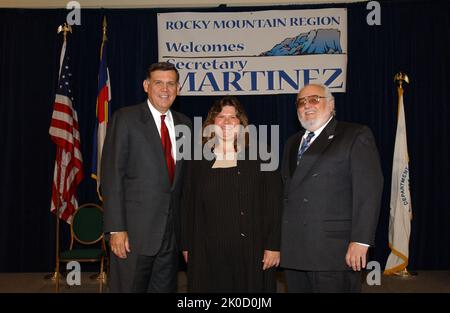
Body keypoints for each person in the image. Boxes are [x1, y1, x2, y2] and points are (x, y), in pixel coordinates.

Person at [280, 83, 383, 293]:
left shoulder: (354, 135)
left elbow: (368, 191)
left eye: (314, 99)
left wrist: (361, 240)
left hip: (333, 251)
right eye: (301, 102)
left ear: (331, 104)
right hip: (295, 249)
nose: (307, 105)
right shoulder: (292, 142)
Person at [101, 62, 192, 292]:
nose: (165, 89)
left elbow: (185, 184)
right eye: (158, 83)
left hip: (170, 238)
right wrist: (116, 228)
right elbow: (112, 176)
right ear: (146, 86)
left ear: (178, 88)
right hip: (132, 237)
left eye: (171, 83)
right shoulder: (126, 118)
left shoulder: (186, 124)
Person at [181, 96, 282, 292]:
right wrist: (186, 244)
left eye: (233, 117)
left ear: (241, 123)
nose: (227, 122)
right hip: (206, 249)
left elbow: (275, 204)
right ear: (212, 122)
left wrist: (273, 245)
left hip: (252, 248)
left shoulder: (263, 154)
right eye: (221, 116)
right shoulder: (197, 158)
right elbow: (187, 203)